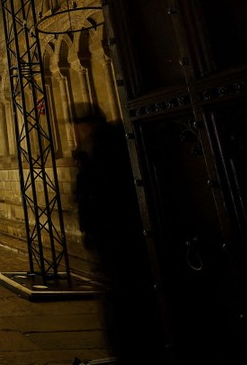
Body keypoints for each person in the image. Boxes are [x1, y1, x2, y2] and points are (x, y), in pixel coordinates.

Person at [72, 110, 162, 364]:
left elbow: (99, 196)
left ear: (87, 125)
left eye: (78, 126)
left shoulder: (105, 152)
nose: (75, 133)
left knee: (125, 301)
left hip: (119, 240)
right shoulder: (100, 149)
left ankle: (131, 350)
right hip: (112, 239)